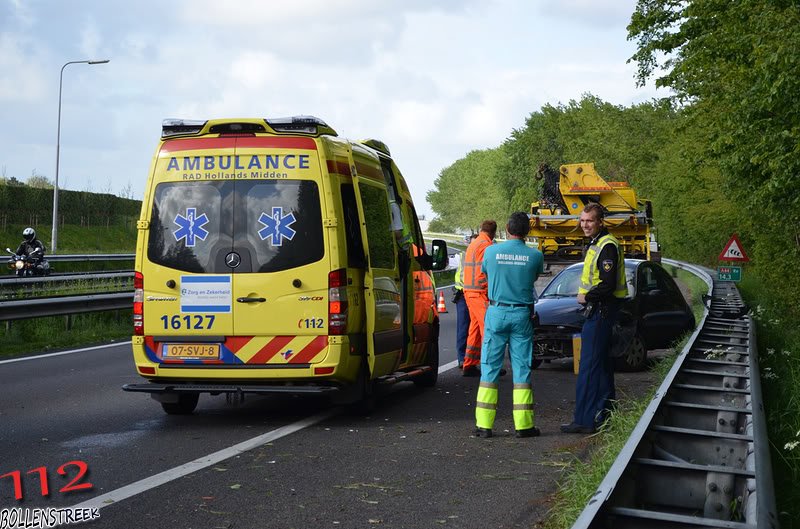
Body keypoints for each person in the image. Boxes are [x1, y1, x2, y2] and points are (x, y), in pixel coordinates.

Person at [473, 212, 544, 438]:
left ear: (507, 228)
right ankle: (524, 426)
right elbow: (533, 278)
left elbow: (485, 274)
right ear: (528, 231)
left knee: (489, 368)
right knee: (522, 368)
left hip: (496, 311)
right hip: (522, 313)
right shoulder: (535, 256)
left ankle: (484, 425)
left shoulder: (491, 251)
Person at [561, 203, 628, 434]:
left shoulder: (606, 246)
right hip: (602, 311)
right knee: (602, 366)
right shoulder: (598, 243)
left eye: (589, 221)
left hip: (601, 310)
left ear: (600, 222)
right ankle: (606, 413)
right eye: (582, 220)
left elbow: (607, 285)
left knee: (588, 367)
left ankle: (584, 419)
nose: (585, 225)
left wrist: (586, 296)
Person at [461, 220, 497, 376]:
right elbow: (482, 272)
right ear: (494, 233)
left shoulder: (476, 242)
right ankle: (489, 366)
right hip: (478, 292)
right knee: (488, 329)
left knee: (475, 329)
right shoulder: (485, 245)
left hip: (470, 291)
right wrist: (490, 290)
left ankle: (469, 364)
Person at [453, 234, 477, 369]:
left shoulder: (484, 255)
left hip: (478, 295)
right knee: (463, 328)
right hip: (463, 295)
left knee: (477, 329)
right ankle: (462, 359)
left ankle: (473, 360)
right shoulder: (461, 256)